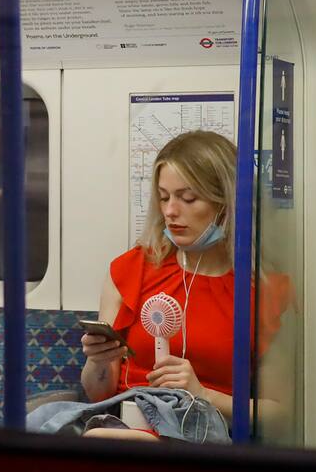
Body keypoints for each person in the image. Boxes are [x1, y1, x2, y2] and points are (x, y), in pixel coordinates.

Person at [78, 131, 290, 441]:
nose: (170, 211)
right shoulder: (131, 270)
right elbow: (99, 392)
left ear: (227, 203)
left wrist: (203, 393)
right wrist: (98, 360)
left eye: (188, 198)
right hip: (125, 419)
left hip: (205, 430)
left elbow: (280, 412)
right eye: (164, 197)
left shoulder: (266, 292)